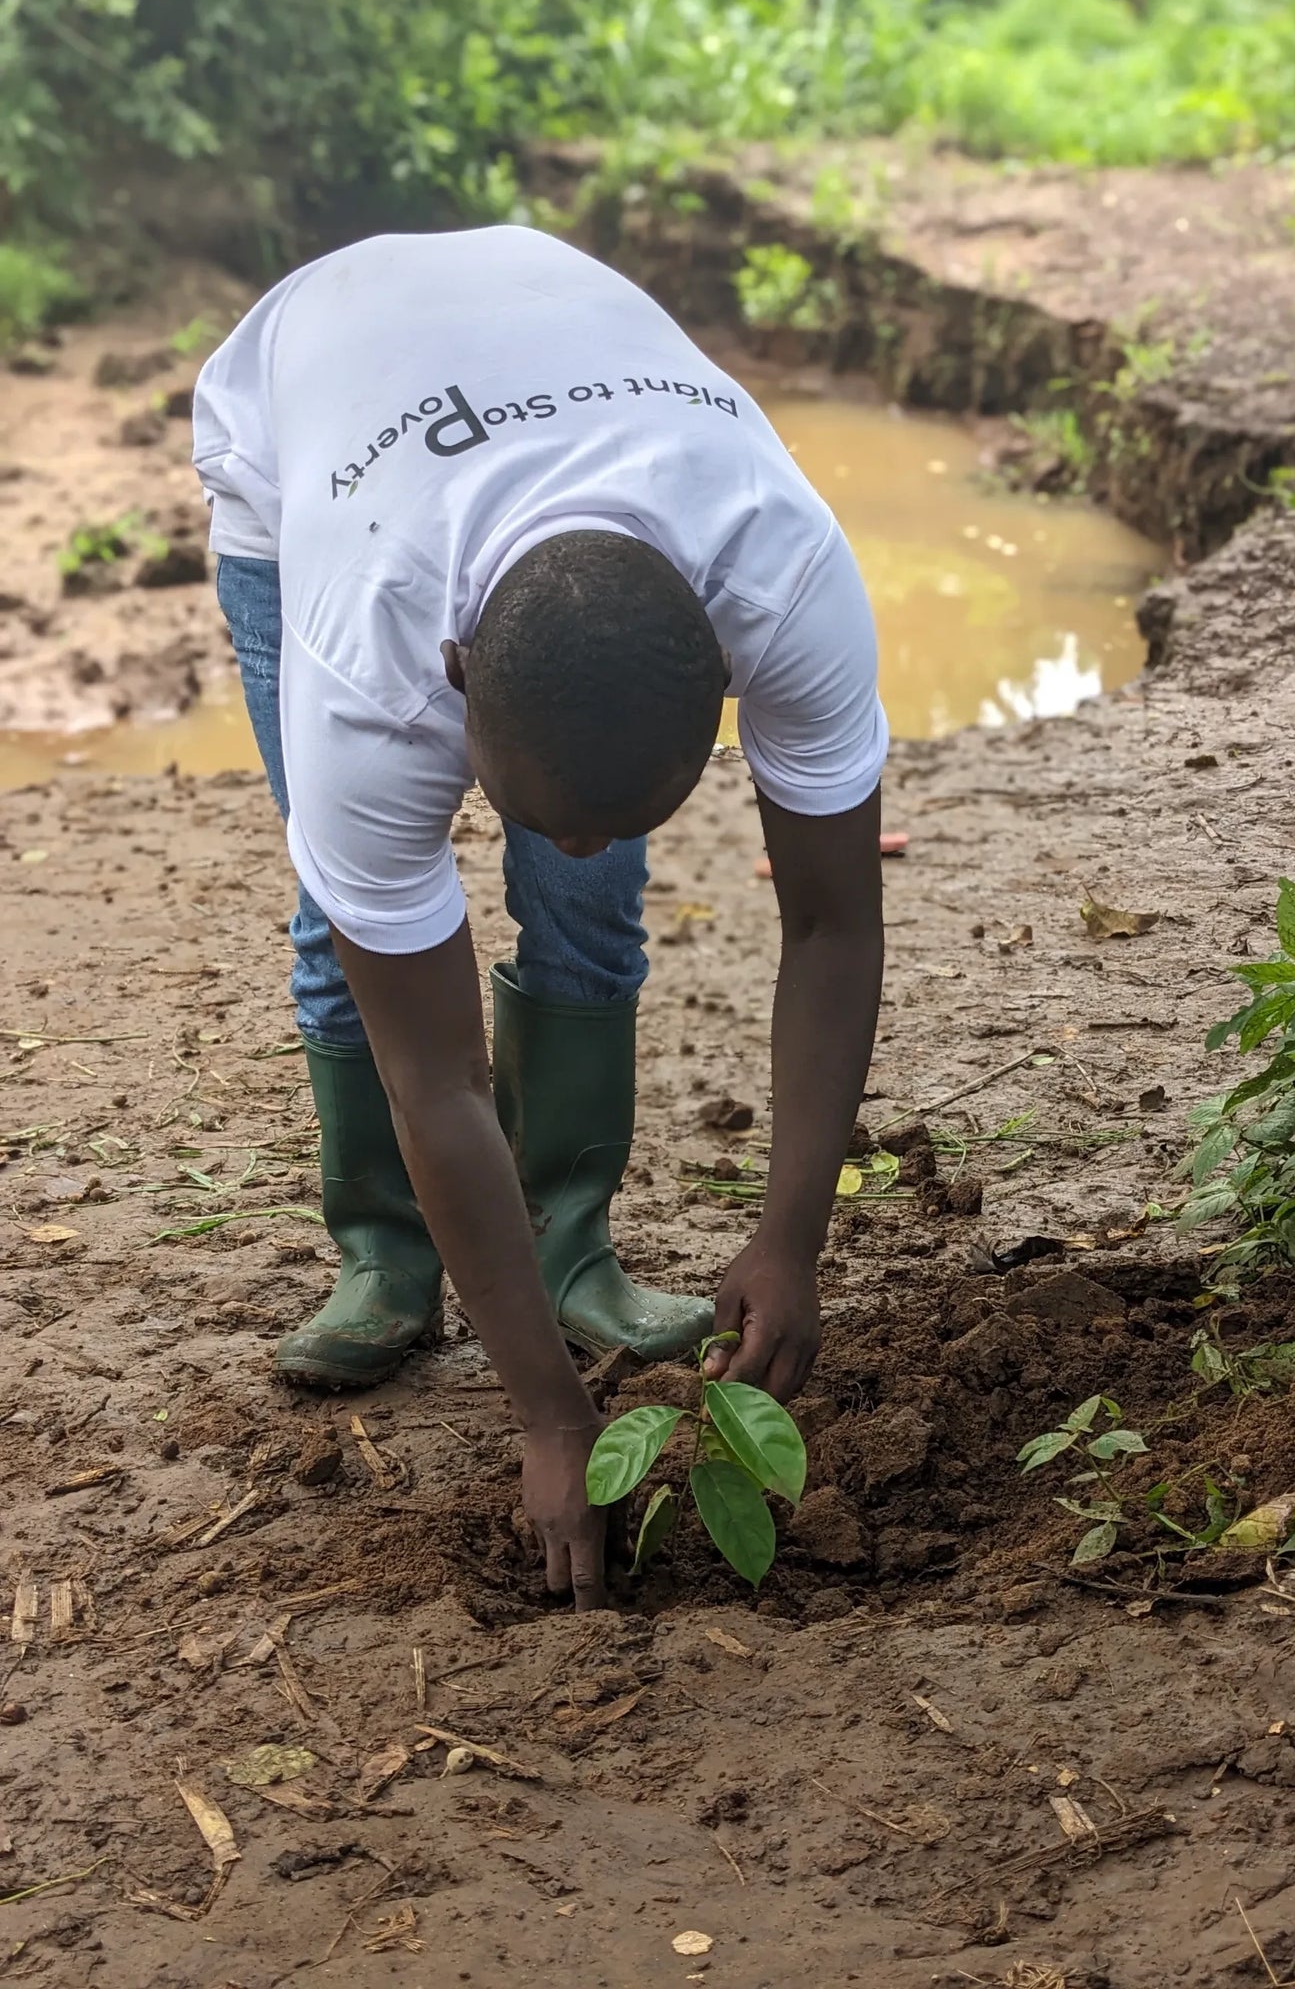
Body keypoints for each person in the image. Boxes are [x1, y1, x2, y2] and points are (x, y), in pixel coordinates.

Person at [193, 225, 886, 1608]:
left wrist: (792, 1237)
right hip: (313, 417)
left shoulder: (786, 581)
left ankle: (569, 1246)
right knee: (355, 938)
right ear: (455, 683)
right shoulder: (370, 660)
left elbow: (833, 927)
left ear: (724, 691)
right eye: (541, 800)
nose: (570, 835)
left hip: (545, 352)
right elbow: (432, 1068)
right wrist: (548, 1418)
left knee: (581, 900)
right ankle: (386, 1261)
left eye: (638, 807)